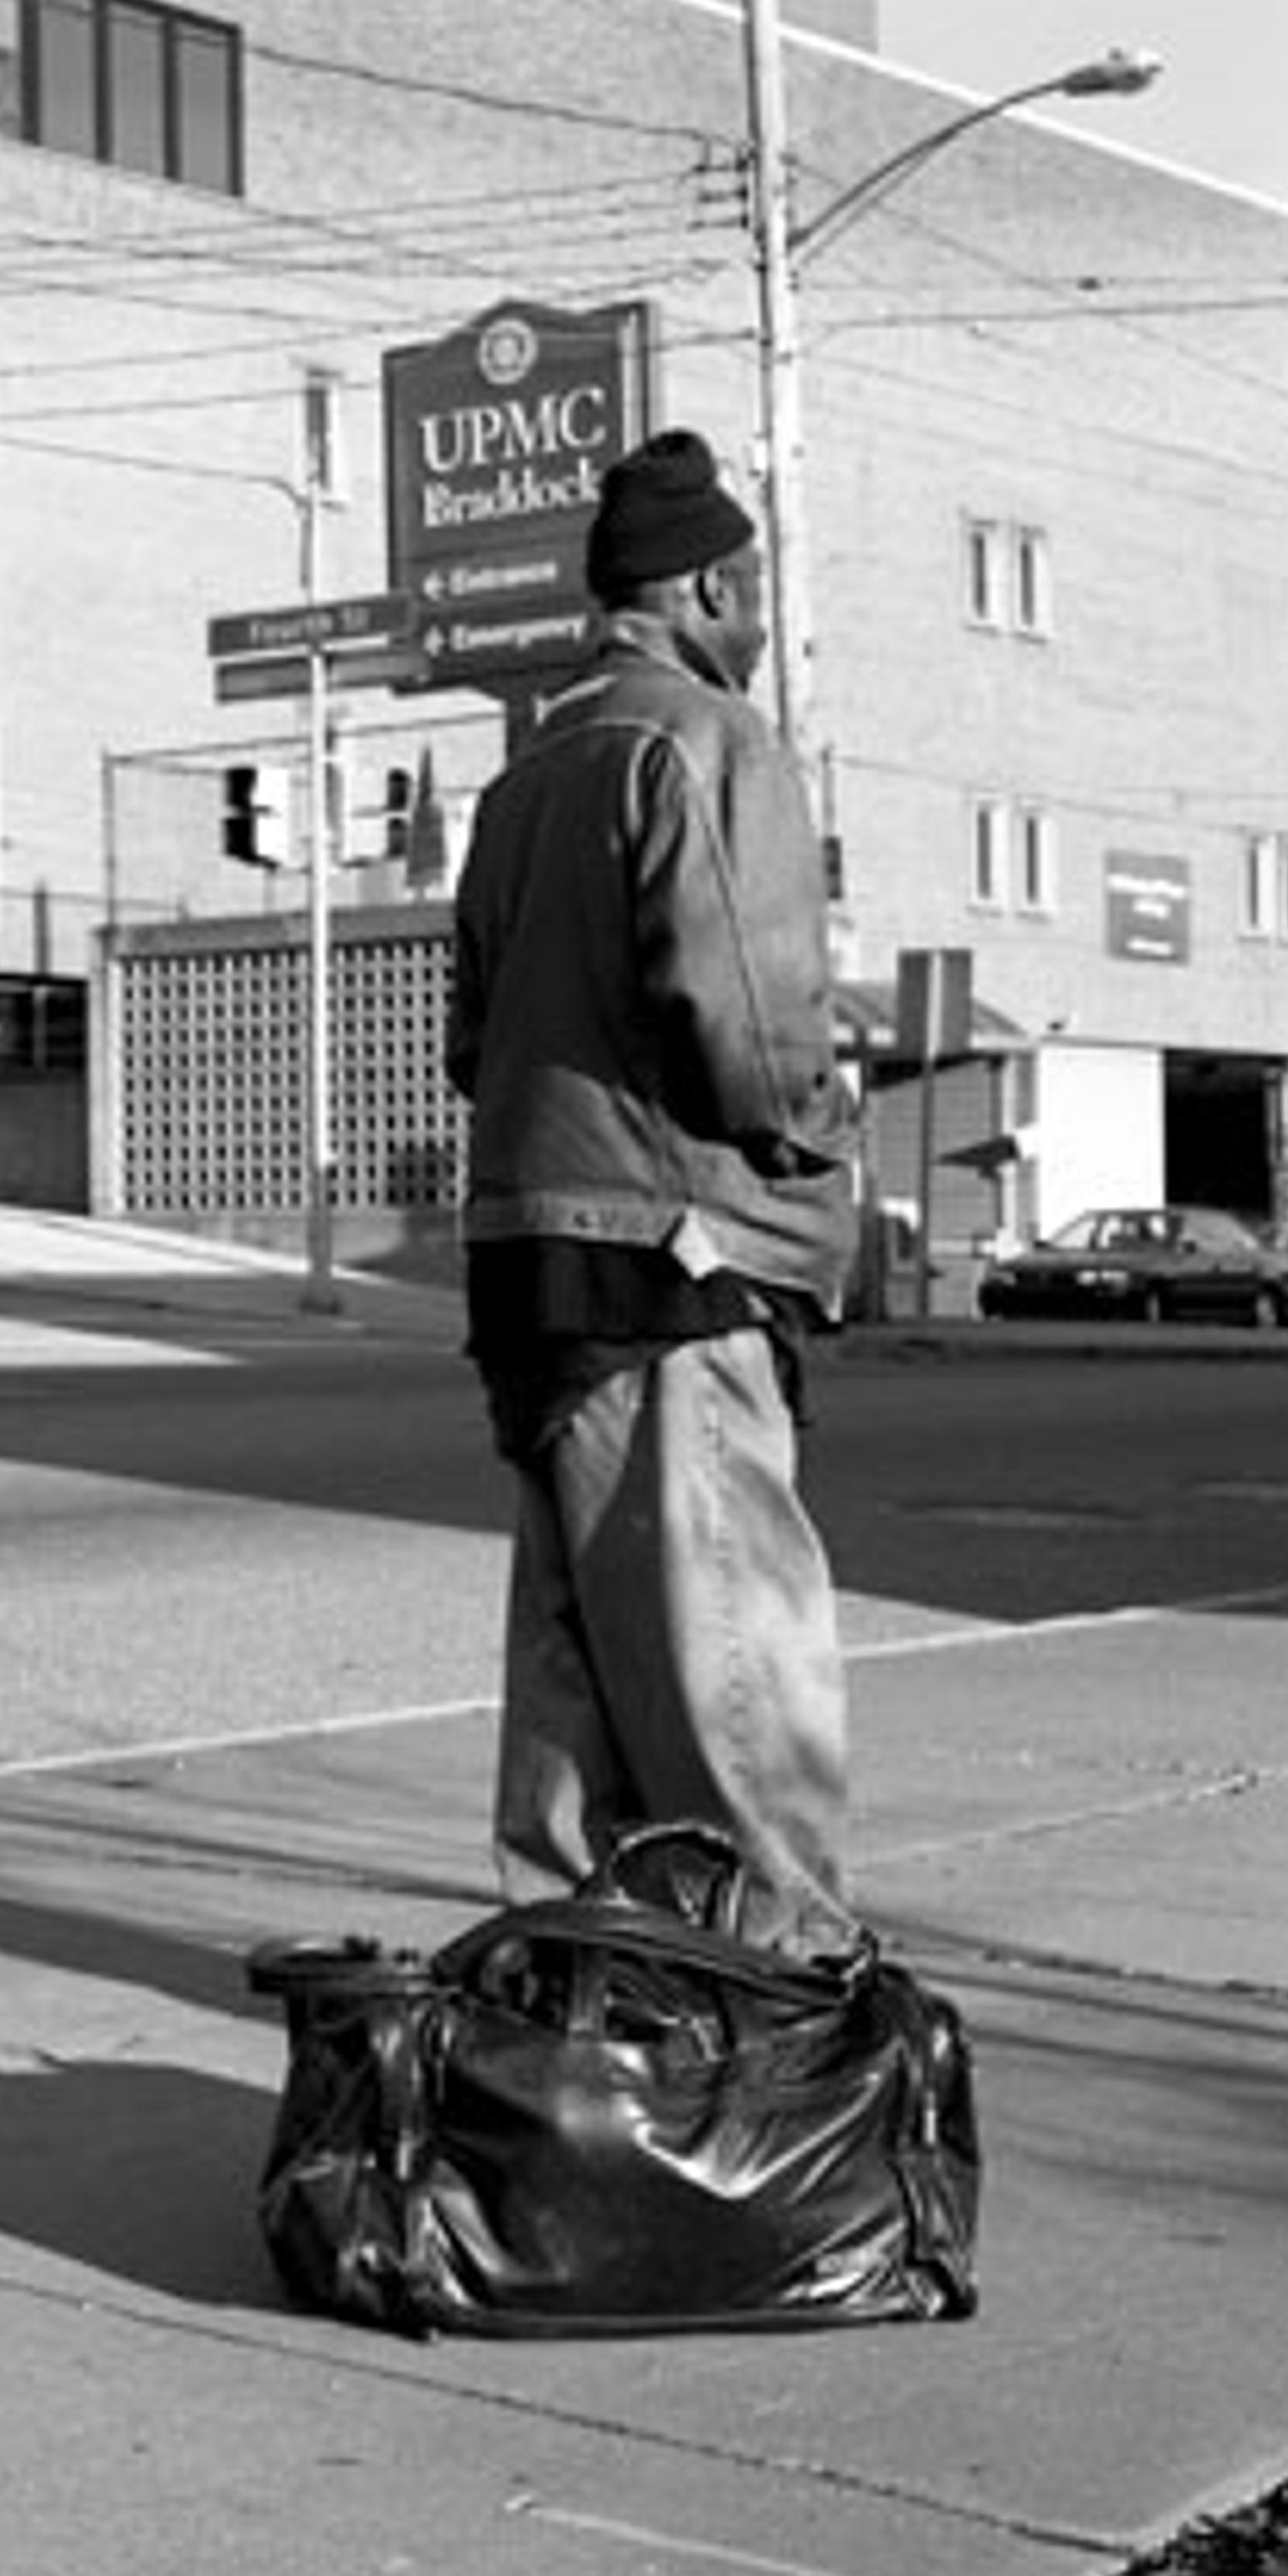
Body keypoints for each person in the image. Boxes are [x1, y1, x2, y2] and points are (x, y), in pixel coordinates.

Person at [445, 427, 861, 1953]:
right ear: (698, 587)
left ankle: (560, 2010)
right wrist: (822, 1145)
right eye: (745, 588)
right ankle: (796, 2009)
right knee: (733, 1675)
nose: (755, 618)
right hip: (674, 1258)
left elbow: (469, 1045)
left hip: (532, 1265)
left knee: (578, 1676)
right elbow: (754, 1040)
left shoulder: (523, 777)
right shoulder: (706, 744)